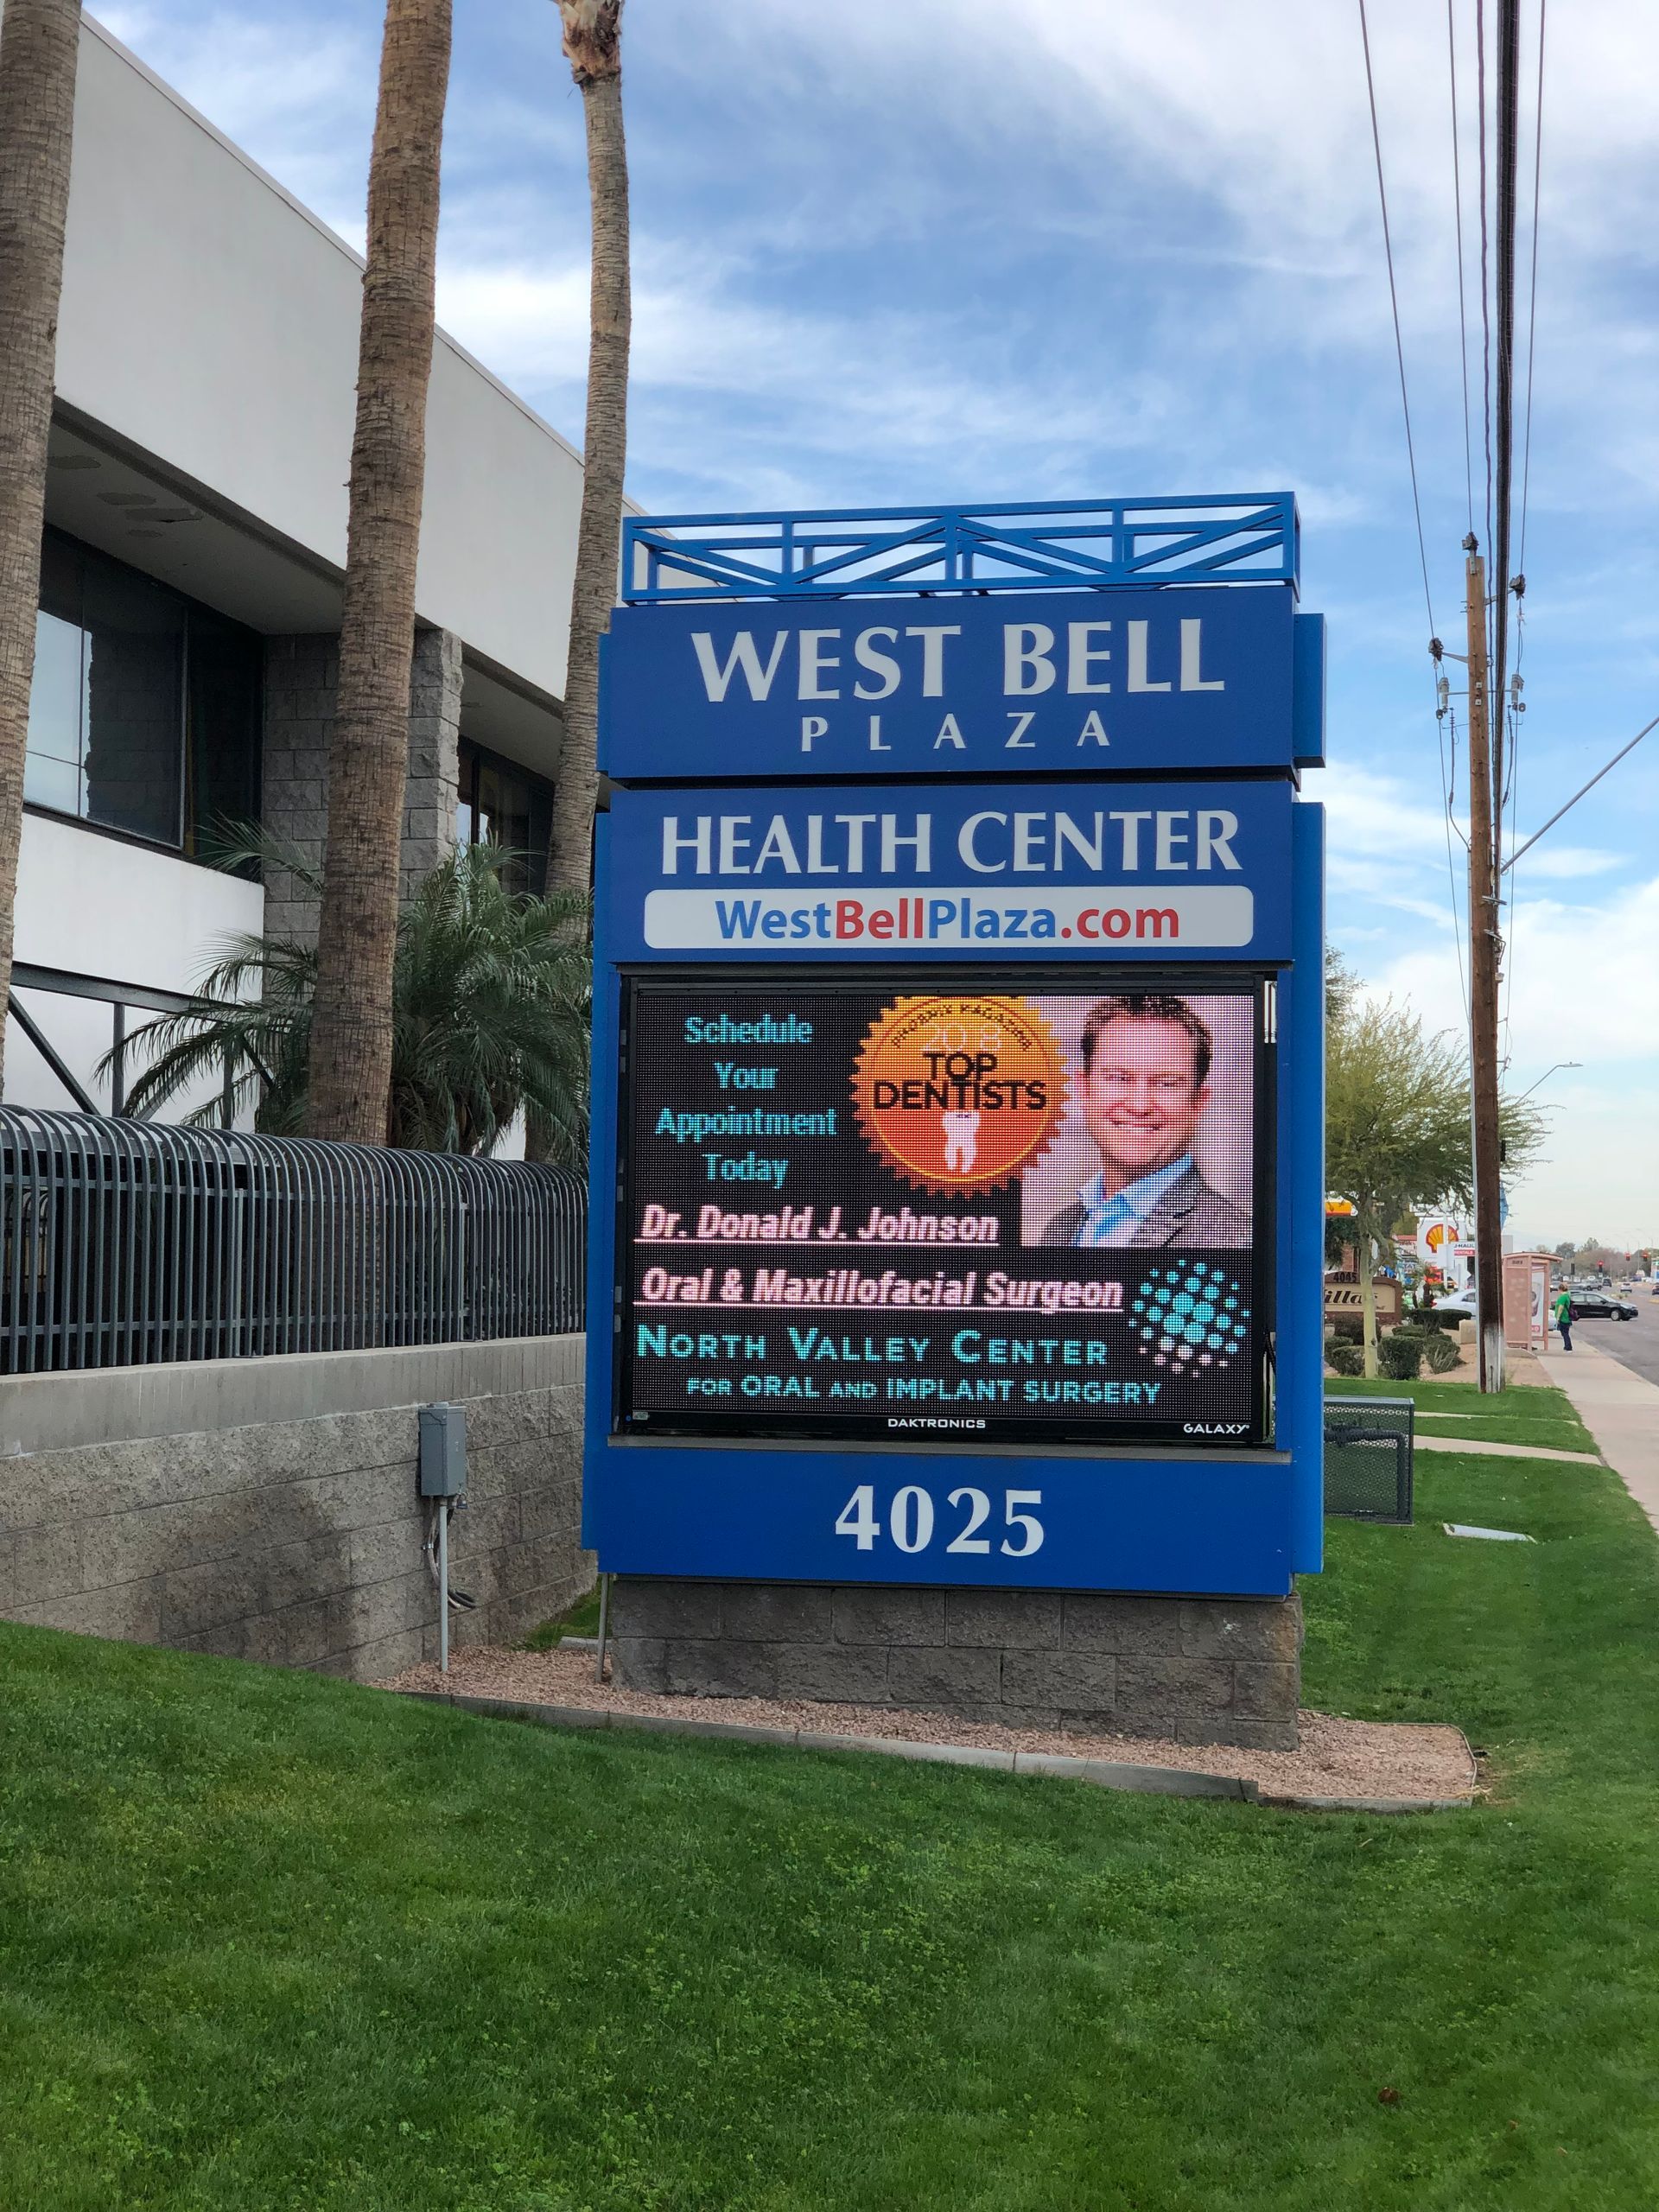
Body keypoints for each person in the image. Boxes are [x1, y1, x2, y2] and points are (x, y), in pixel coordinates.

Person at [1038, 993, 1250, 1248]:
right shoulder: (1061, 1228)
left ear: (1198, 1103)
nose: (1139, 1105)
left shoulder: (1233, 1239)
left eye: (1166, 1083)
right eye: (1118, 1078)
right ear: (1084, 1089)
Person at [1553, 1284, 1573, 1351]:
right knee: (1566, 1332)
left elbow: (1561, 1307)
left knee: (1564, 1333)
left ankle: (1568, 1347)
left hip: (1563, 1318)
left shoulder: (1562, 1297)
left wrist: (1558, 1317)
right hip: (1567, 1317)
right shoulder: (1567, 1296)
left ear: (1560, 1289)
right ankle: (1567, 1346)